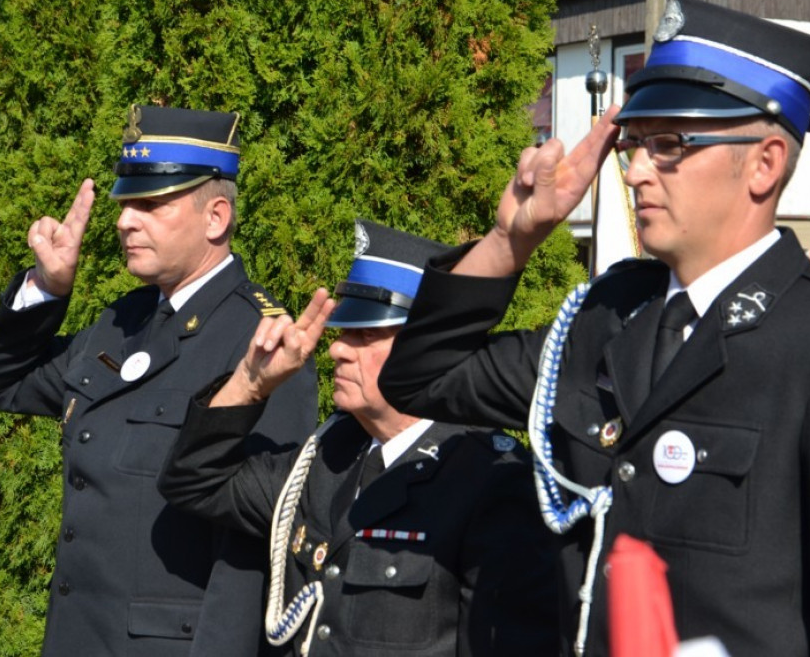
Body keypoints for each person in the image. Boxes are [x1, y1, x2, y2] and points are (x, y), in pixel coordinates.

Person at [379, 0, 810, 656]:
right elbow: (420, 379)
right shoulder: (603, 321)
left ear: (765, 163)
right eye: (635, 146)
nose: (637, 171)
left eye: (669, 145)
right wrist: (510, 239)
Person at [0, 105, 317, 657]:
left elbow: (254, 546)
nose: (125, 220)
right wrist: (47, 288)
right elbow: (2, 382)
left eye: (151, 204)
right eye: (126, 203)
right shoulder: (121, 322)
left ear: (216, 217)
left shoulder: (259, 343)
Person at [158, 219, 560, 657]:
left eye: (366, 334)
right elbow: (194, 481)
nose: (337, 349)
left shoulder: (493, 480)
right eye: (345, 331)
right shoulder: (328, 456)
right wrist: (250, 384)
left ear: (428, 347)